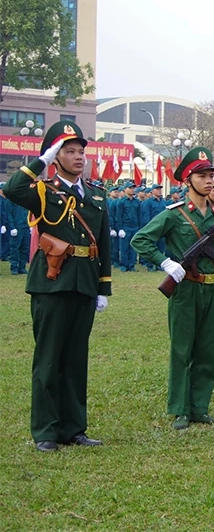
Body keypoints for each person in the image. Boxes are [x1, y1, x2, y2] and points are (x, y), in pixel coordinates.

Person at [5, 121, 112, 452]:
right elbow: (11, 189)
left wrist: (102, 287)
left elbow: (103, 243)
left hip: (83, 283)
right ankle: (46, 431)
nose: (79, 157)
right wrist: (40, 162)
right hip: (51, 283)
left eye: (81, 151)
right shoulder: (42, 190)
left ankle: (74, 428)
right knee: (49, 359)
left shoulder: (95, 194)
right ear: (54, 155)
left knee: (76, 358)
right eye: (69, 151)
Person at [132, 147, 214, 430]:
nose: (209, 181)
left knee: (205, 348)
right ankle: (180, 409)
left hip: (212, 288)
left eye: (210, 176)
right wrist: (165, 262)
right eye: (202, 176)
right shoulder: (174, 215)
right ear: (187, 180)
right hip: (185, 288)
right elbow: (141, 240)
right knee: (182, 349)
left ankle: (199, 407)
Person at [117, 181, 141, 272]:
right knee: (124, 247)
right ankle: (124, 265)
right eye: (130, 188)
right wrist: (120, 228)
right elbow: (119, 216)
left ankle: (131, 265)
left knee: (133, 247)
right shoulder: (121, 202)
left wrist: (139, 227)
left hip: (135, 226)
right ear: (125, 189)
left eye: (133, 188)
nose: (132, 189)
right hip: (126, 226)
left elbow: (139, 215)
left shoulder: (137, 202)